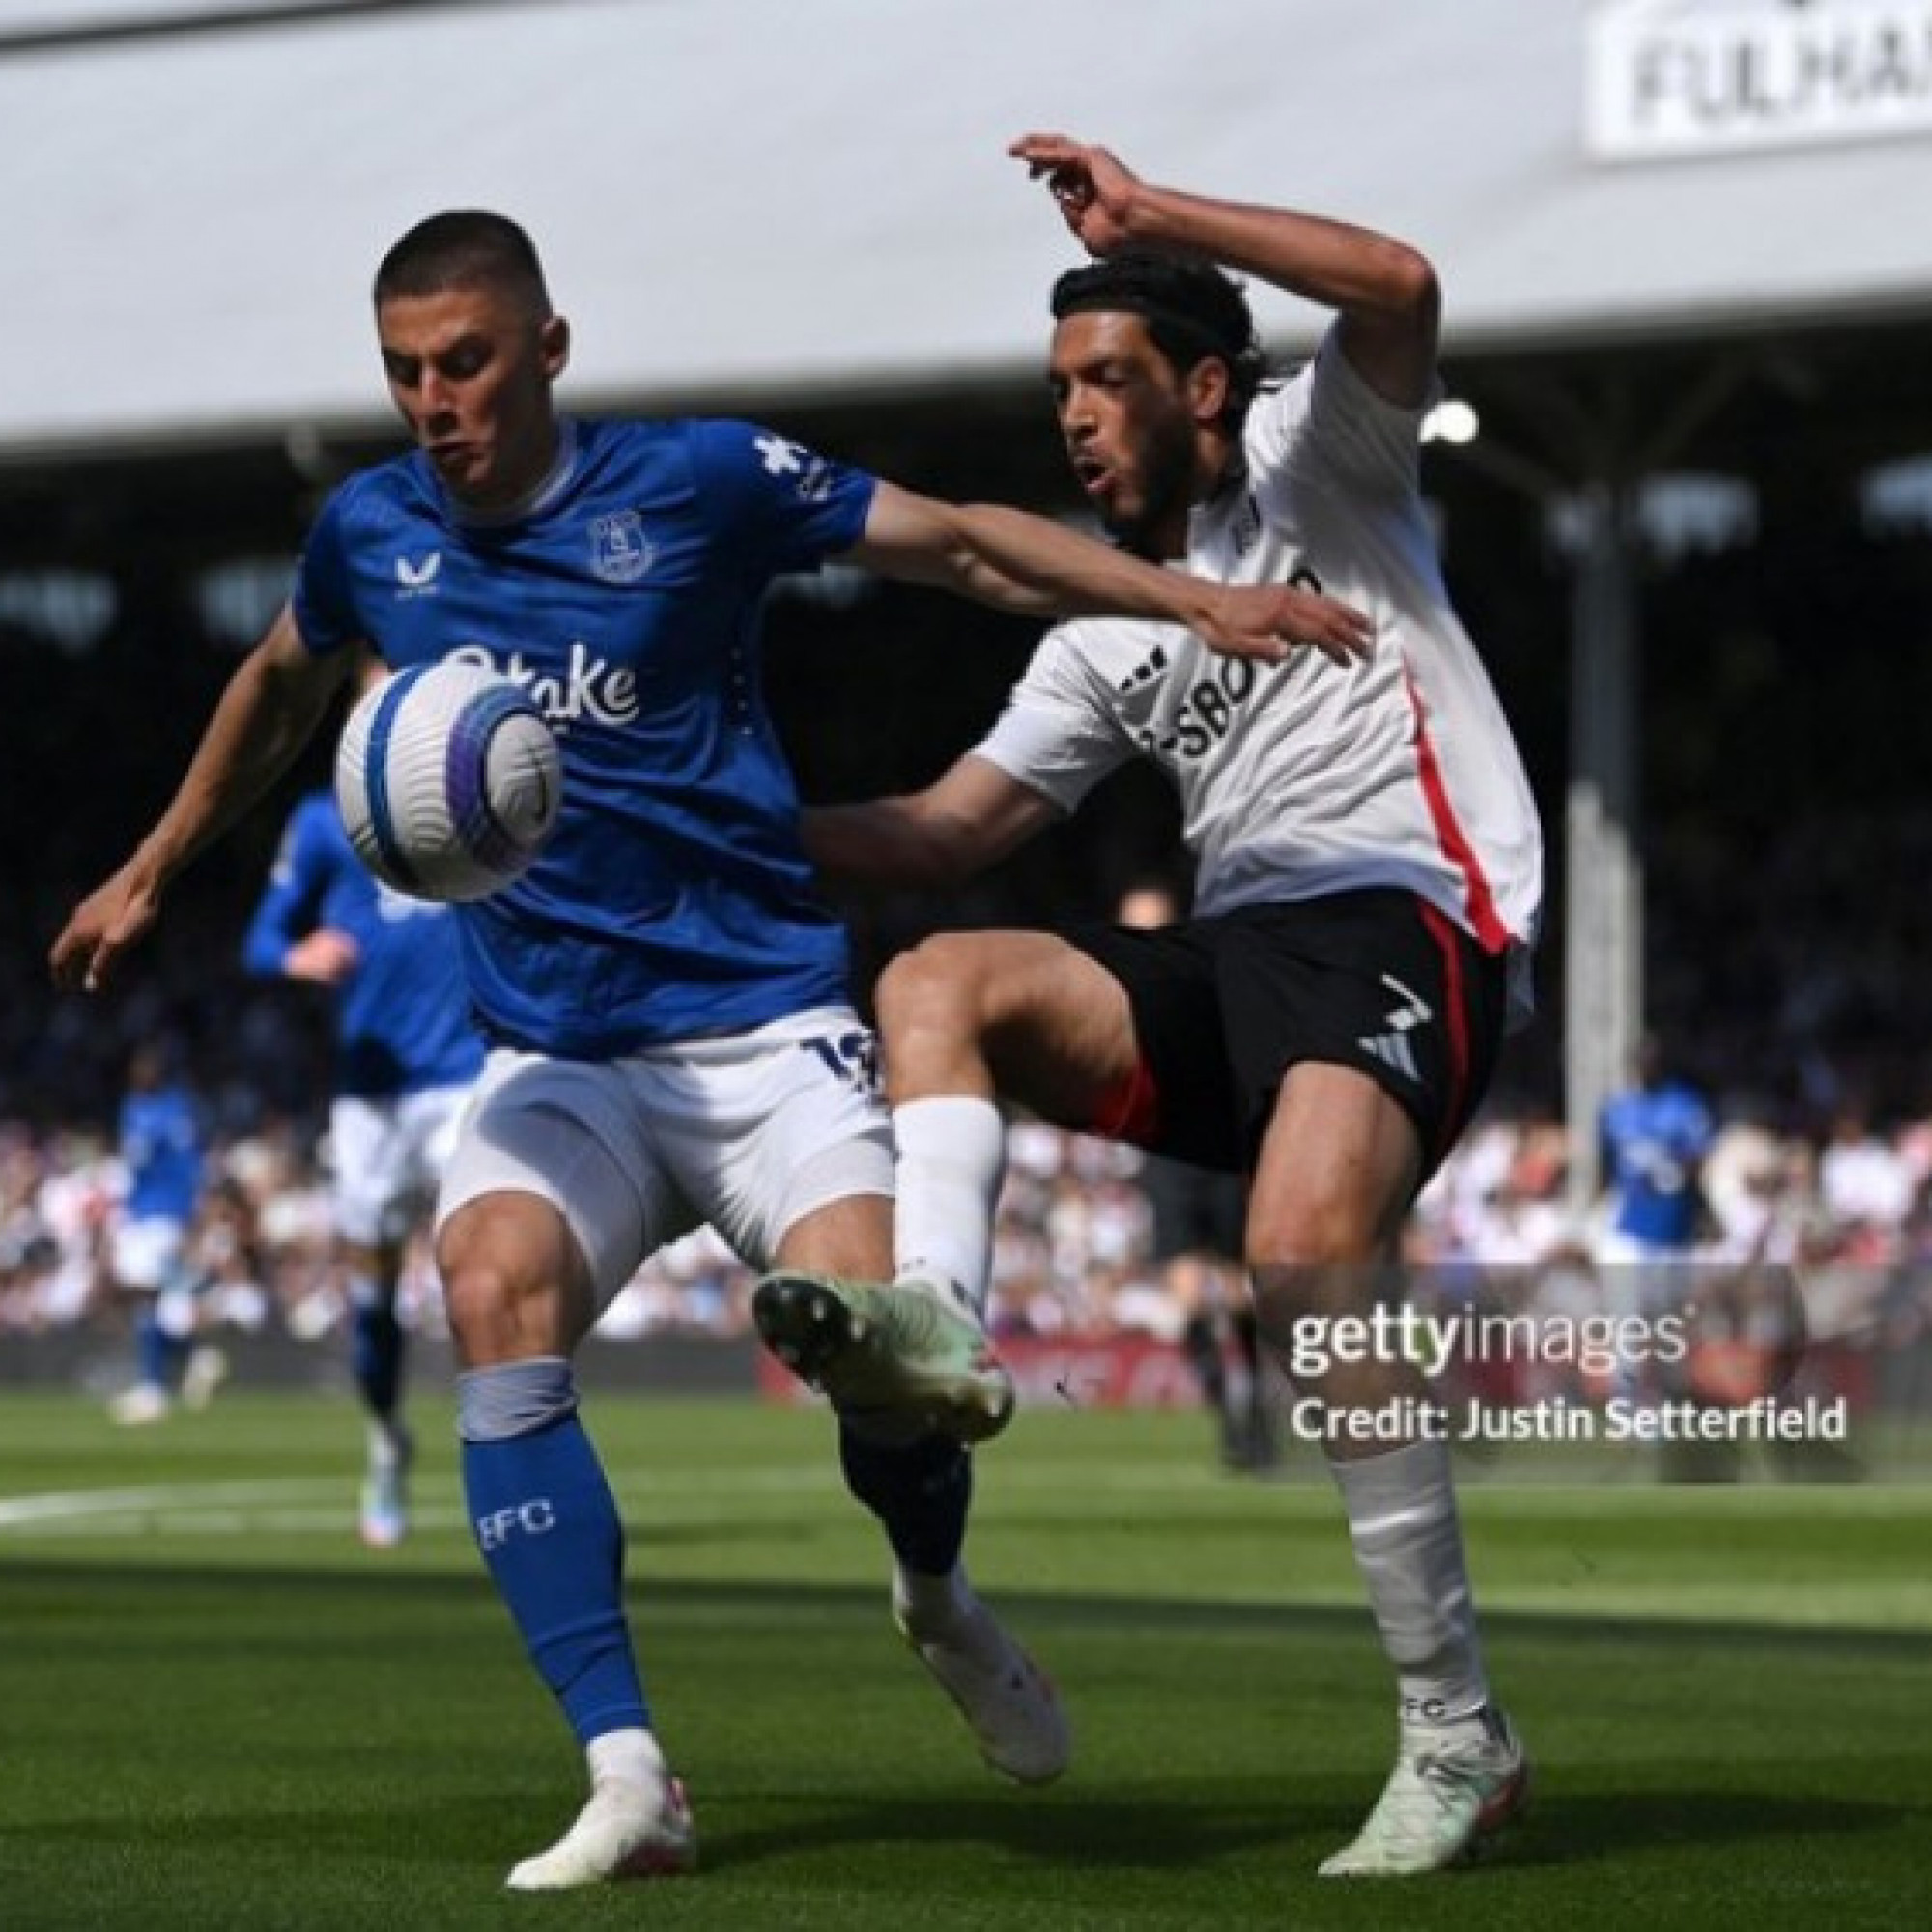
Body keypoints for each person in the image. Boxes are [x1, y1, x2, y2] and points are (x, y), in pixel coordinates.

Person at [49, 207, 1373, 1891]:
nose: (434, 403)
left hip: (766, 1033)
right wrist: (154, 866)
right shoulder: (370, 531)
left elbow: (968, 548)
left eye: (466, 362)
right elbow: (278, 679)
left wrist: (1187, 596)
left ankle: (938, 1598)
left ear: (549, 350)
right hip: (559, 1056)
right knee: (488, 1287)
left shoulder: (698, 483)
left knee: (884, 1367)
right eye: (403, 372)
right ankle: (630, 1776)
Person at [769, 132, 1544, 1879]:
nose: (1074, 416)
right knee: (937, 976)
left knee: (1301, 1252)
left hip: (1411, 910)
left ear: (1204, 389)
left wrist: (1154, 218)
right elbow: (942, 834)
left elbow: (1402, 283)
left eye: (1107, 379)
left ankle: (1456, 1732)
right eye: (1059, 387)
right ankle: (937, 1322)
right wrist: (711, 820)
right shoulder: (1101, 626)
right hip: (1237, 951)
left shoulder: (1317, 462)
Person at [242, 664, 485, 1547]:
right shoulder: (321, 823)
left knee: (484, 1270)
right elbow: (260, 939)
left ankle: (508, 1465)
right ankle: (387, 1440)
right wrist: (296, 955)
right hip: (370, 1096)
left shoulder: (483, 799)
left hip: (466, 1079)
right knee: (374, 1303)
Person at [99, 1039, 221, 1425]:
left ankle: (154, 1389)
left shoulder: (172, 1110)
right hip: (140, 1212)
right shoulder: (133, 1107)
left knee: (148, 1294)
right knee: (154, 1294)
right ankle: (191, 1356)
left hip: (161, 1213)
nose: (141, 1075)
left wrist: (188, 1216)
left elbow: (189, 1166)